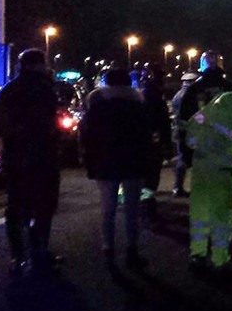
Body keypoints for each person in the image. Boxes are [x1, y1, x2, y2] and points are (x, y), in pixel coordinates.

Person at [0, 49, 62, 276]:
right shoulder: (44, 89)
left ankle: (18, 256)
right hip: (42, 156)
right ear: (39, 65)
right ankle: (39, 250)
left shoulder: (7, 91)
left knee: (16, 205)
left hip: (15, 157)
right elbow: (49, 123)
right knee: (44, 206)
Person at [184, 88, 232, 274]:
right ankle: (220, 261)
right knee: (222, 217)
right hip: (223, 169)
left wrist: (202, 147)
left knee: (200, 214)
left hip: (201, 167)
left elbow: (191, 132)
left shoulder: (215, 104)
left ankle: (197, 255)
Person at [80, 69, 153, 269]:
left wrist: (89, 161)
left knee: (108, 209)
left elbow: (86, 136)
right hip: (133, 162)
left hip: (105, 162)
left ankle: (108, 250)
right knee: (132, 209)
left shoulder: (97, 106)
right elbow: (146, 137)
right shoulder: (138, 106)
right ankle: (132, 251)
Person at [174, 51, 232, 196]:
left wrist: (185, 142)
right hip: (226, 137)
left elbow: (185, 117)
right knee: (228, 171)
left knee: (204, 173)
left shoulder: (193, 89)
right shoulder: (230, 87)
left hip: (202, 139)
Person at [139, 66, 173, 216]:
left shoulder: (145, 95)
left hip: (146, 142)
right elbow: (161, 122)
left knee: (148, 175)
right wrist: (166, 143)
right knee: (151, 176)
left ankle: (144, 202)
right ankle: (147, 205)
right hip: (151, 143)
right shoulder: (154, 98)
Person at [170, 72, 198, 197]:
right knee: (186, 159)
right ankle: (178, 187)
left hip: (179, 130)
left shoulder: (177, 95)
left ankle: (178, 186)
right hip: (188, 130)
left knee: (182, 158)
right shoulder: (189, 95)